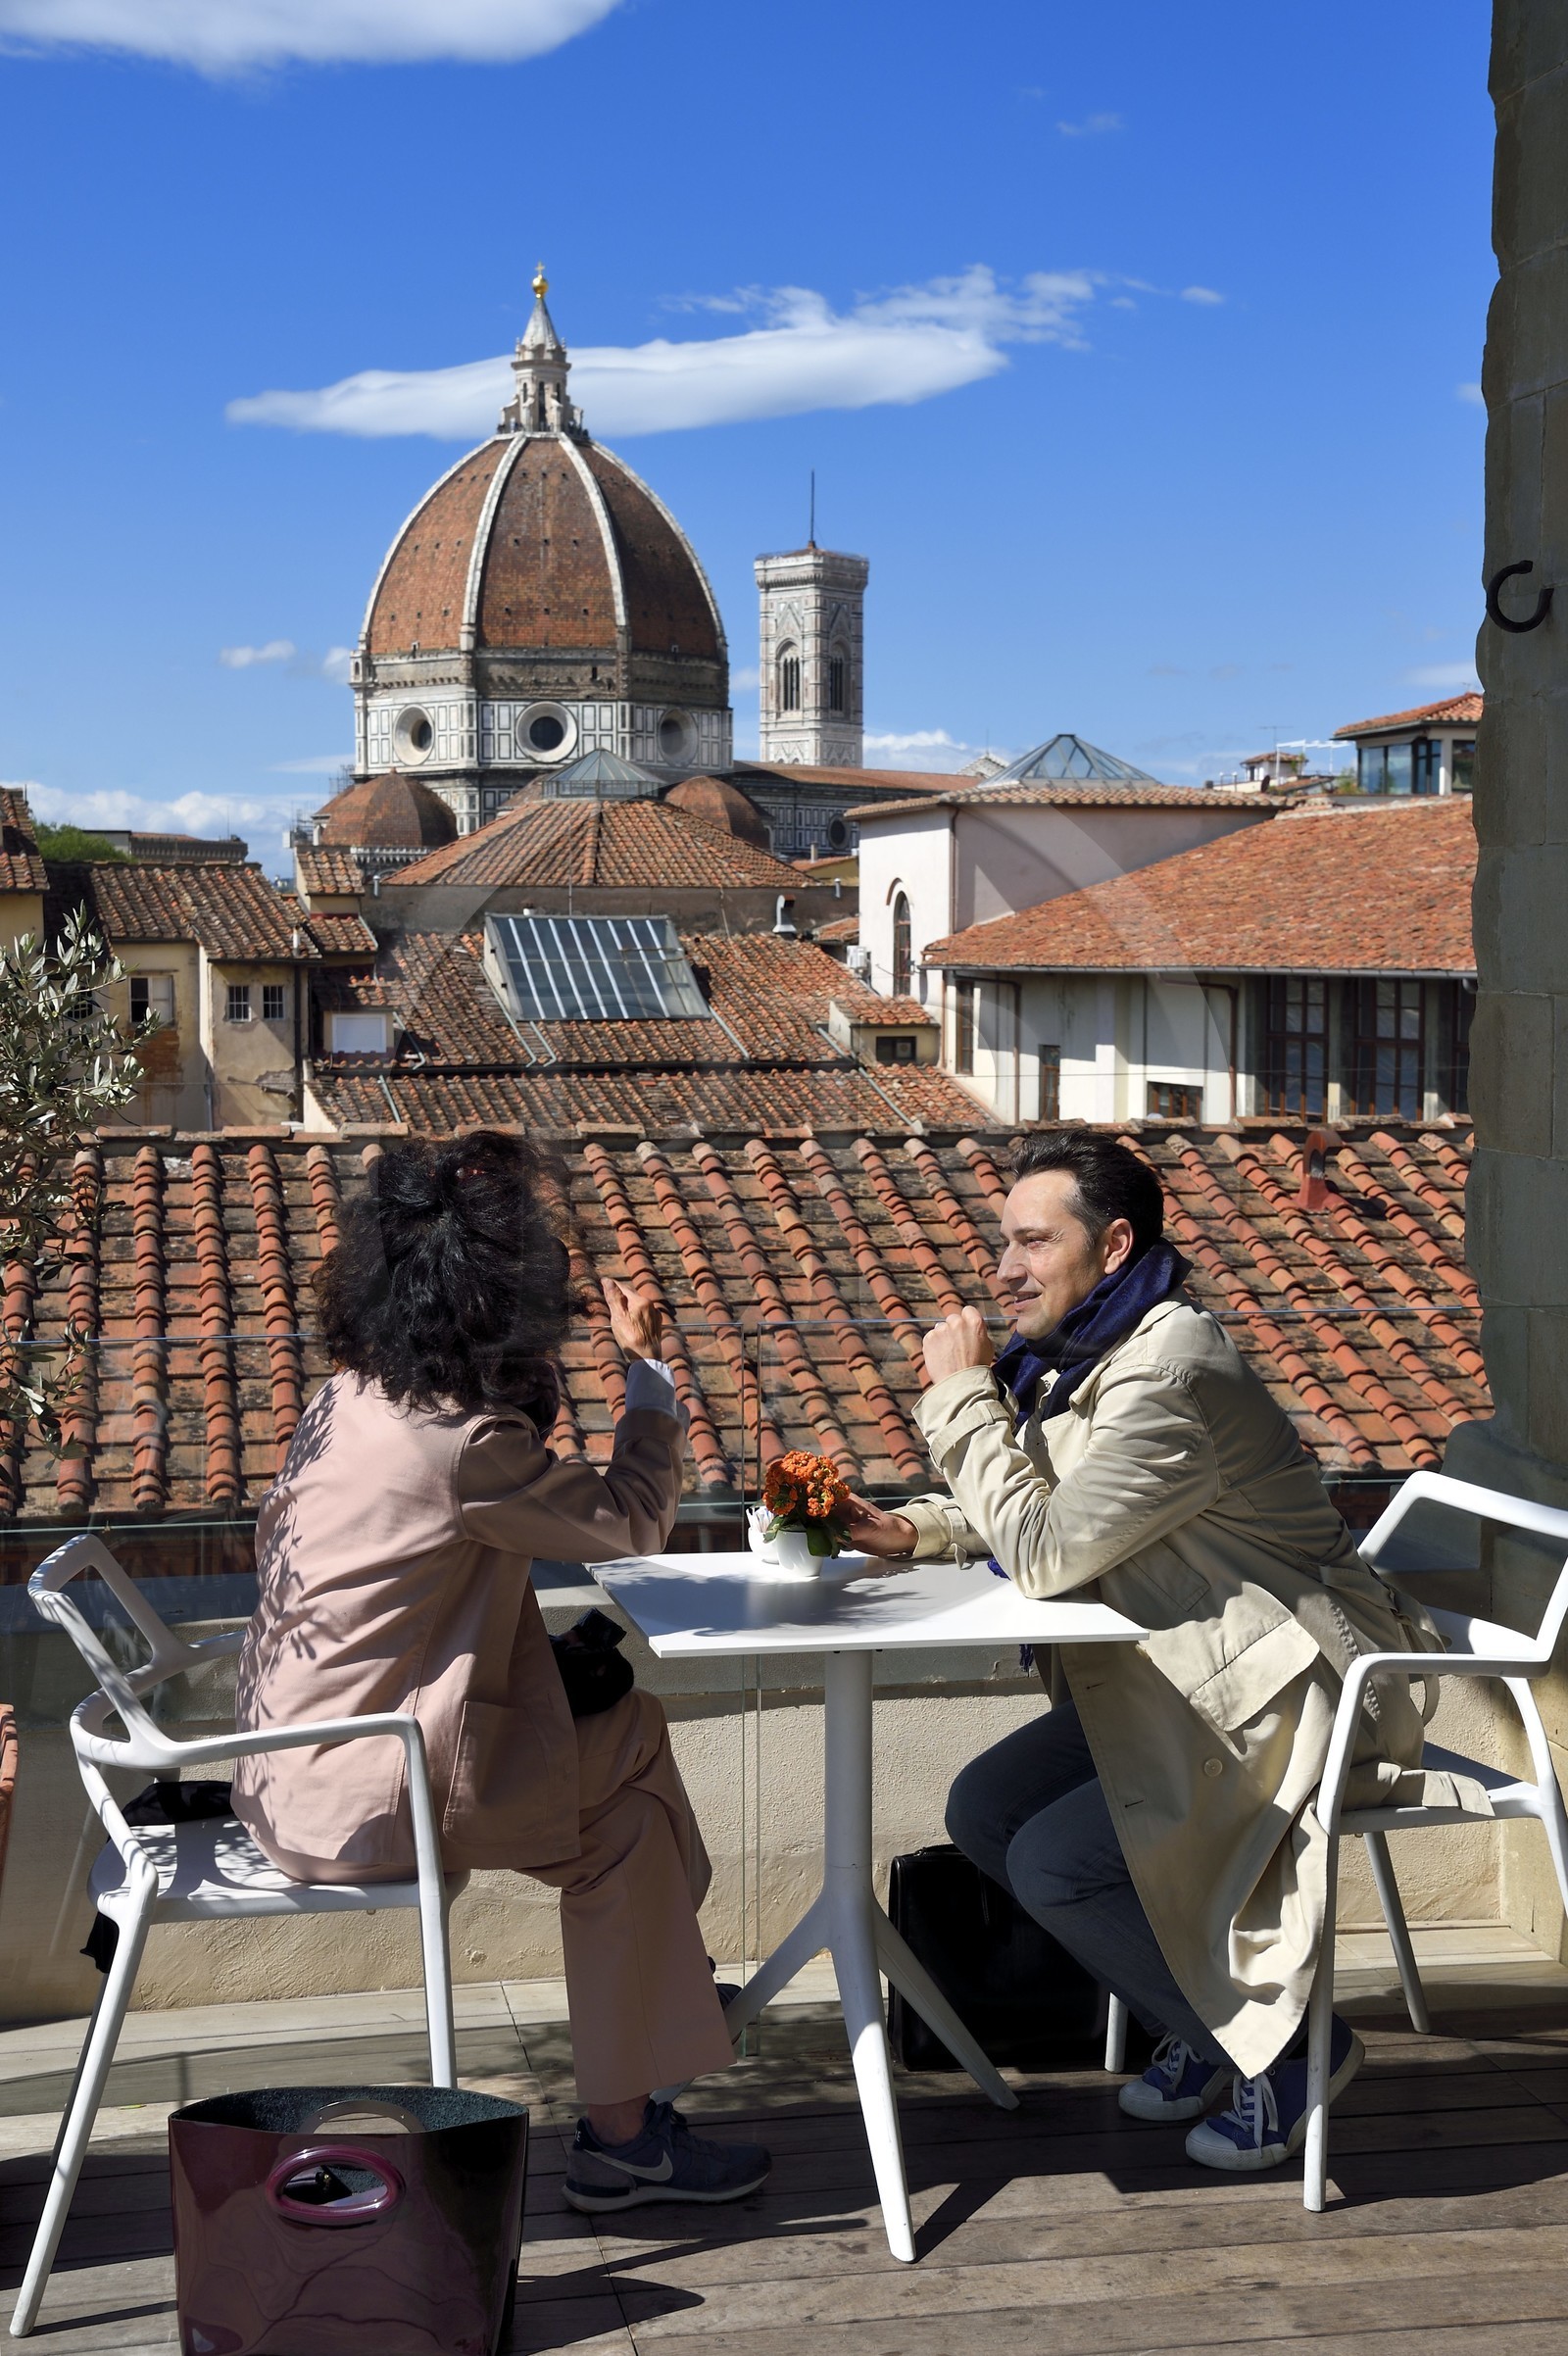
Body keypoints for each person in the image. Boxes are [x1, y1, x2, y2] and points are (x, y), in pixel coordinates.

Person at [842, 1131, 1456, 2173]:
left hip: (1298, 1688)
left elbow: (1044, 1548)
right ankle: (1204, 2019)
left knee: (1053, 1860)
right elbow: (1055, 1501)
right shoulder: (1094, 1353)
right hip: (1187, 1675)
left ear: (1114, 1244)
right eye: (1005, 1242)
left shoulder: (1167, 1367)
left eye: (1032, 1242)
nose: (1004, 1269)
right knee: (983, 1810)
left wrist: (959, 1395)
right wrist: (920, 1531)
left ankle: (1291, 2052)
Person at [232, 1129, 767, 2215]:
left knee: (623, 1775)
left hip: (287, 1762)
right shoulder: (464, 1444)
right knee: (626, 1804)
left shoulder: (350, 1396)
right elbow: (630, 1519)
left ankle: (652, 2017)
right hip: (368, 1788)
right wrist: (647, 1377)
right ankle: (632, 2099)